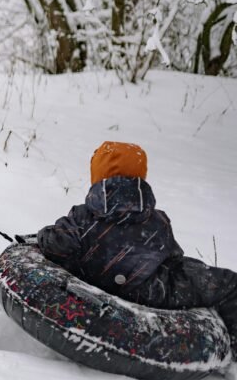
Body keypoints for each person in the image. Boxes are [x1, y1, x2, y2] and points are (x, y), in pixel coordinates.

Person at [36, 141, 237, 345]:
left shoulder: (81, 216)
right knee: (228, 284)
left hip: (92, 279)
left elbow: (58, 244)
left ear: (96, 176)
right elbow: (172, 257)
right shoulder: (158, 220)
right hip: (150, 292)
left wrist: (43, 236)